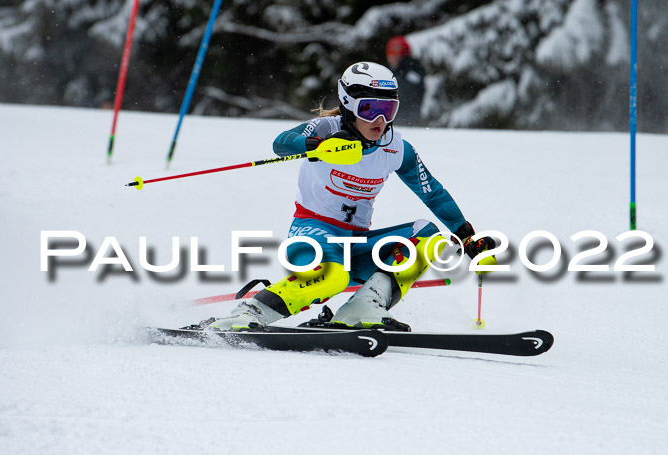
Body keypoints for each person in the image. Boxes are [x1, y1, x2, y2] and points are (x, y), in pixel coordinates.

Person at [209, 62, 495, 332]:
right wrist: (315, 146)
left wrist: (466, 236)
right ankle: (249, 313)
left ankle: (361, 309)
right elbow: (280, 144)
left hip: (356, 243)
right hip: (312, 235)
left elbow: (432, 192)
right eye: (370, 109)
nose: (380, 121)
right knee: (335, 277)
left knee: (428, 236)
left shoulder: (396, 149)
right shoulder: (326, 129)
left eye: (389, 110)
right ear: (348, 104)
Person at [386, 36, 426, 126]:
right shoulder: (388, 71)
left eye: (398, 53)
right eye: (390, 52)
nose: (393, 56)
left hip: (409, 120)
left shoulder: (413, 70)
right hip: (391, 120)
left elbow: (409, 93)